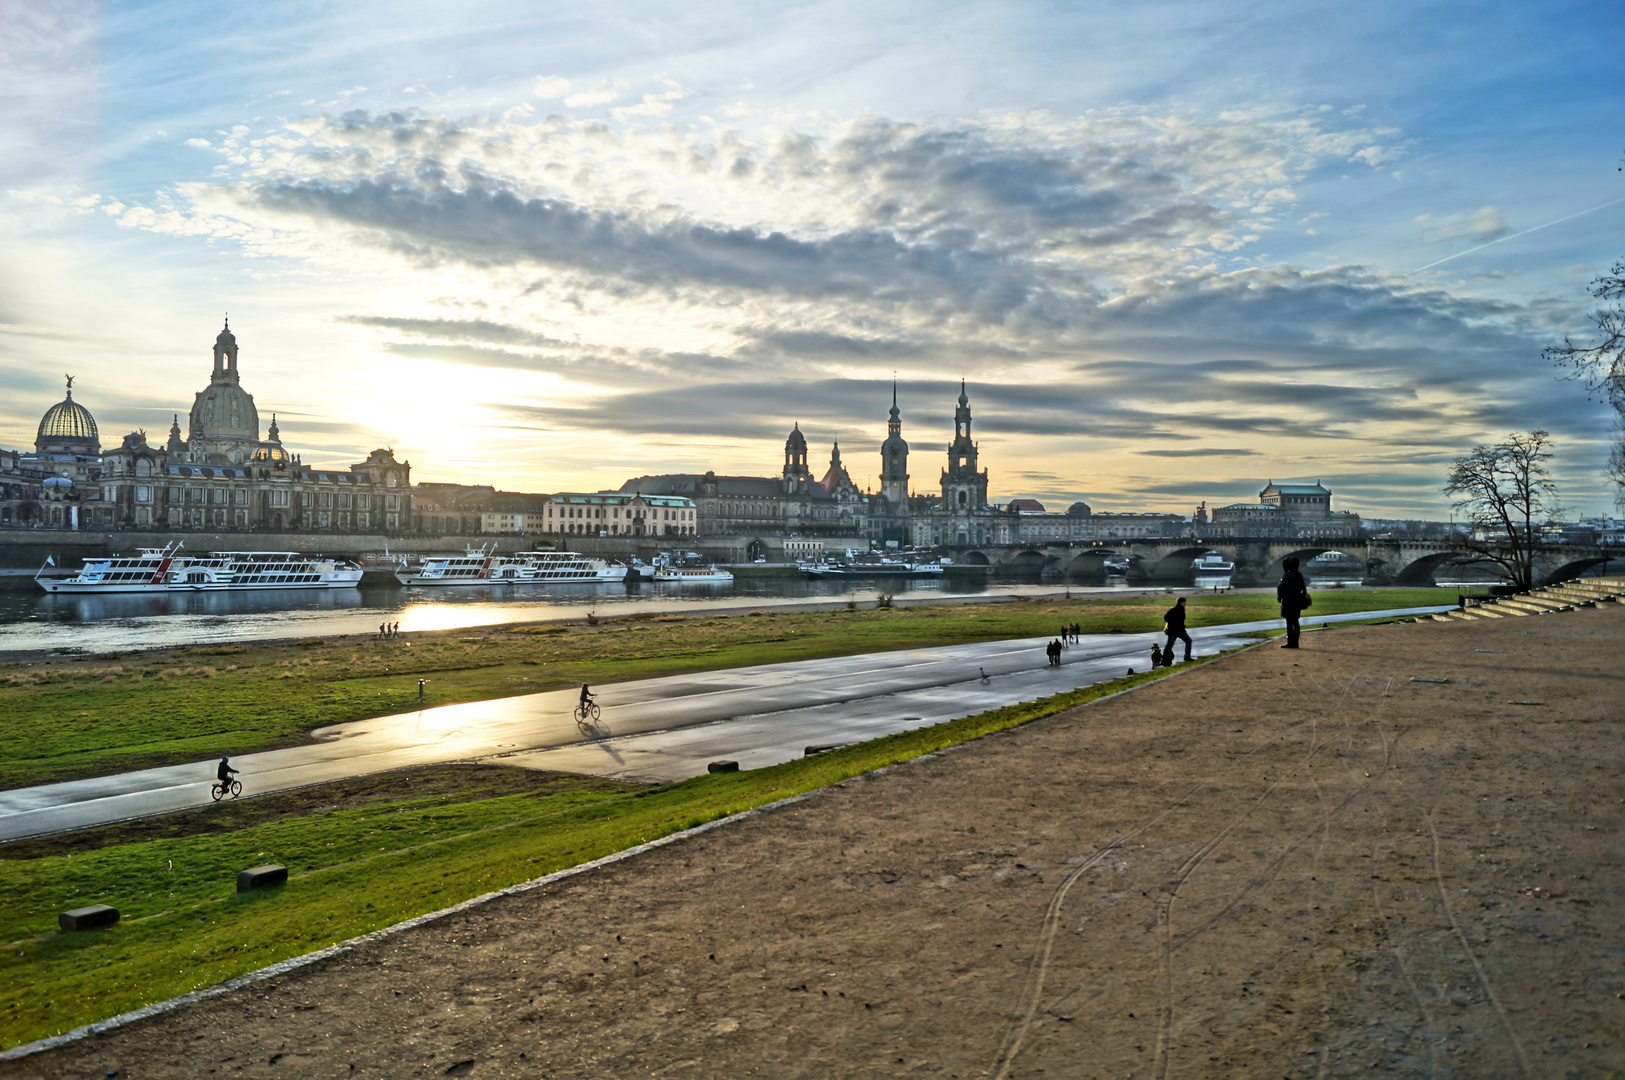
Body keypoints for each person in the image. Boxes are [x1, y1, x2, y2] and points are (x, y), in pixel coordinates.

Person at [1277, 556, 1309, 648]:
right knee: (1295, 622)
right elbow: (1303, 588)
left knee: (1289, 622)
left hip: (1288, 601)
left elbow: (1280, 587)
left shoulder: (1287, 575)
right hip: (1297, 600)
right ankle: (1295, 642)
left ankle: (1290, 642)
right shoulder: (1299, 575)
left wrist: (1279, 597)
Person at [1163, 597, 1193, 663]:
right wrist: (1174, 623)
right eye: (1184, 602)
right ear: (1180, 603)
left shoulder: (1180, 610)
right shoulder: (1174, 610)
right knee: (1170, 645)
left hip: (1179, 630)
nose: (1185, 603)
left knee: (1188, 641)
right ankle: (1165, 659)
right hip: (1174, 631)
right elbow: (1166, 618)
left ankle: (1187, 657)